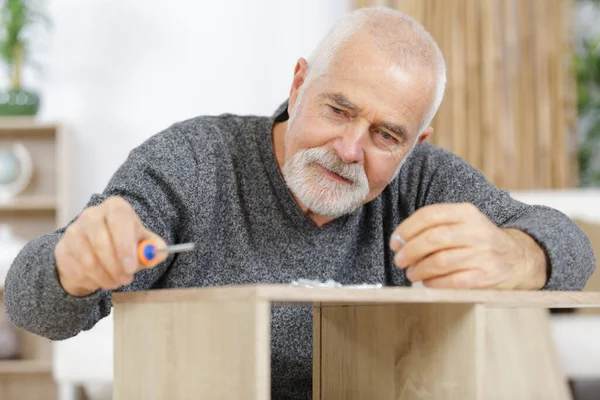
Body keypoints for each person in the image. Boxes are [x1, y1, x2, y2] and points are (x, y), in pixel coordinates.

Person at [3, 6, 596, 400]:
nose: (348, 149)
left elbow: (566, 243)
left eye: (386, 136)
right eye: (338, 109)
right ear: (297, 85)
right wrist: (69, 269)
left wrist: (518, 256)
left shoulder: (424, 183)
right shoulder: (192, 161)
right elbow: (35, 309)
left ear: (416, 145)